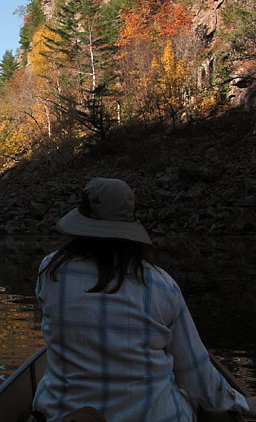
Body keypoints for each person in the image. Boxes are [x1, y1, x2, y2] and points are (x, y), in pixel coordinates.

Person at [32, 177, 255, 422]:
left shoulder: (50, 271)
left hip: (64, 415)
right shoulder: (162, 285)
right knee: (198, 400)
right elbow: (195, 376)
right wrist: (242, 402)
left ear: (81, 226)